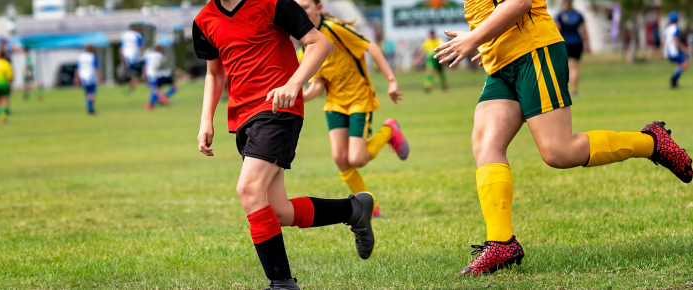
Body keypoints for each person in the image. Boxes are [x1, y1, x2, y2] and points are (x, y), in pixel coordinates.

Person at [433, 0, 692, 276]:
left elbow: (520, 2)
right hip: (499, 62)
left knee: (558, 152)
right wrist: (482, 37)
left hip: (533, 50)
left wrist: (475, 37)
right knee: (486, 145)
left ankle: (652, 142)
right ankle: (501, 242)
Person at [194, 0, 376, 288]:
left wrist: (294, 84)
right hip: (242, 118)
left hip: (277, 110)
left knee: (249, 189)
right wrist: (207, 119)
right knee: (278, 210)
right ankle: (353, 210)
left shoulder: (272, 3)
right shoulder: (203, 20)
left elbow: (319, 43)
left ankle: (281, 284)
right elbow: (214, 73)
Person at [296, 0, 409, 218]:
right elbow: (318, 86)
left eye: (306, 6)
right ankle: (370, 205)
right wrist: (297, 97)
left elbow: (371, 47)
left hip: (359, 98)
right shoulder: (304, 47)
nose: (302, 12)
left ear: (319, 8)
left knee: (357, 159)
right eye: (298, 8)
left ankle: (389, 131)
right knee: (340, 158)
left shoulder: (334, 28)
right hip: (335, 103)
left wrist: (391, 80)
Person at [555, 0, 589, 97]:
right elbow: (584, 30)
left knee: (562, 68)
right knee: (574, 68)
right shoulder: (578, 15)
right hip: (577, 43)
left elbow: (557, 31)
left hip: (564, 44)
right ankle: (574, 91)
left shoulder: (560, 15)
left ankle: (562, 91)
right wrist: (587, 44)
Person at [142, 44, 178, 111]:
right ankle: (160, 99)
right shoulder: (160, 55)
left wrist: (144, 75)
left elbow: (144, 65)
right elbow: (164, 65)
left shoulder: (148, 55)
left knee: (155, 90)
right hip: (157, 75)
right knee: (174, 85)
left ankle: (152, 103)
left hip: (149, 75)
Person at [664, 11, 689, 88]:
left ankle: (674, 82)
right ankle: (673, 77)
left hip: (667, 51)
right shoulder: (675, 27)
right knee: (686, 63)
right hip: (673, 50)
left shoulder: (666, 29)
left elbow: (663, 41)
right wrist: (682, 47)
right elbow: (675, 39)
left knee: (680, 65)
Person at [74, 44, 100, 115]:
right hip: (91, 76)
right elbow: (96, 68)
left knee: (87, 93)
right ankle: (90, 109)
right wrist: (100, 77)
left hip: (83, 76)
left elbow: (77, 68)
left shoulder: (81, 56)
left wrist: (77, 78)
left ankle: (88, 107)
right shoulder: (92, 56)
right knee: (91, 93)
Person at [119, 27, 145, 96]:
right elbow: (140, 47)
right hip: (136, 59)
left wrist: (123, 58)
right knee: (143, 74)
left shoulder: (124, 35)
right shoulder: (137, 35)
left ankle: (130, 90)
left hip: (128, 60)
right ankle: (155, 92)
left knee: (135, 76)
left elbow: (121, 48)